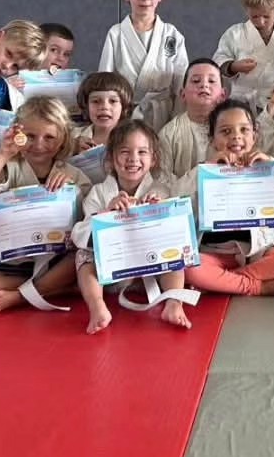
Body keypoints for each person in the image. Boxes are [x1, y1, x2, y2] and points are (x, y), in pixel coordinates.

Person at [0, 97, 88, 313]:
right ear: (18, 135)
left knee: (78, 258)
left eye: (49, 137)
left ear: (63, 139)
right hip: (15, 261)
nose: (39, 145)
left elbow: (87, 218)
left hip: (56, 260)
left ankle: (23, 294)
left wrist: (70, 190)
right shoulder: (8, 167)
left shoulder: (70, 174)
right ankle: (58, 288)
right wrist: (3, 154)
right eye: (30, 136)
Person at [172, 100, 274, 298]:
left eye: (244, 130)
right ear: (212, 139)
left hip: (255, 255)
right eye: (226, 131)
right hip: (215, 254)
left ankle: (225, 282)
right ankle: (258, 287)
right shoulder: (204, 170)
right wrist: (205, 170)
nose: (236, 136)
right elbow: (177, 200)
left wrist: (272, 166)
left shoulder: (267, 167)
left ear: (254, 136)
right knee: (190, 269)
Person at [71, 119, 193, 332]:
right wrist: (107, 214)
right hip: (113, 270)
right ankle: (97, 306)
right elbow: (79, 236)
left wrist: (159, 211)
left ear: (153, 159)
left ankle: (174, 303)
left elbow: (177, 231)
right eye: (125, 151)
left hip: (152, 267)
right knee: (83, 257)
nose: (133, 159)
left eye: (142, 152)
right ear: (111, 158)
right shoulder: (99, 192)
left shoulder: (161, 190)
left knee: (175, 254)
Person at [97, 0, 189, 128]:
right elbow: (105, 81)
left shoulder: (171, 35)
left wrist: (177, 122)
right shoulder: (116, 34)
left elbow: (180, 83)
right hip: (125, 114)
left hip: (162, 114)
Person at [158, 59, 225, 178]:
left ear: (222, 95)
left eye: (211, 81)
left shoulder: (235, 129)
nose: (204, 85)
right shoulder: (169, 134)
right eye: (196, 81)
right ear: (182, 94)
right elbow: (162, 180)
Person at [73, 71, 133, 152]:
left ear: (123, 106)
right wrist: (71, 148)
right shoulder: (72, 136)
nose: (104, 107)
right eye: (96, 101)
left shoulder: (135, 137)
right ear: (86, 105)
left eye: (113, 101)